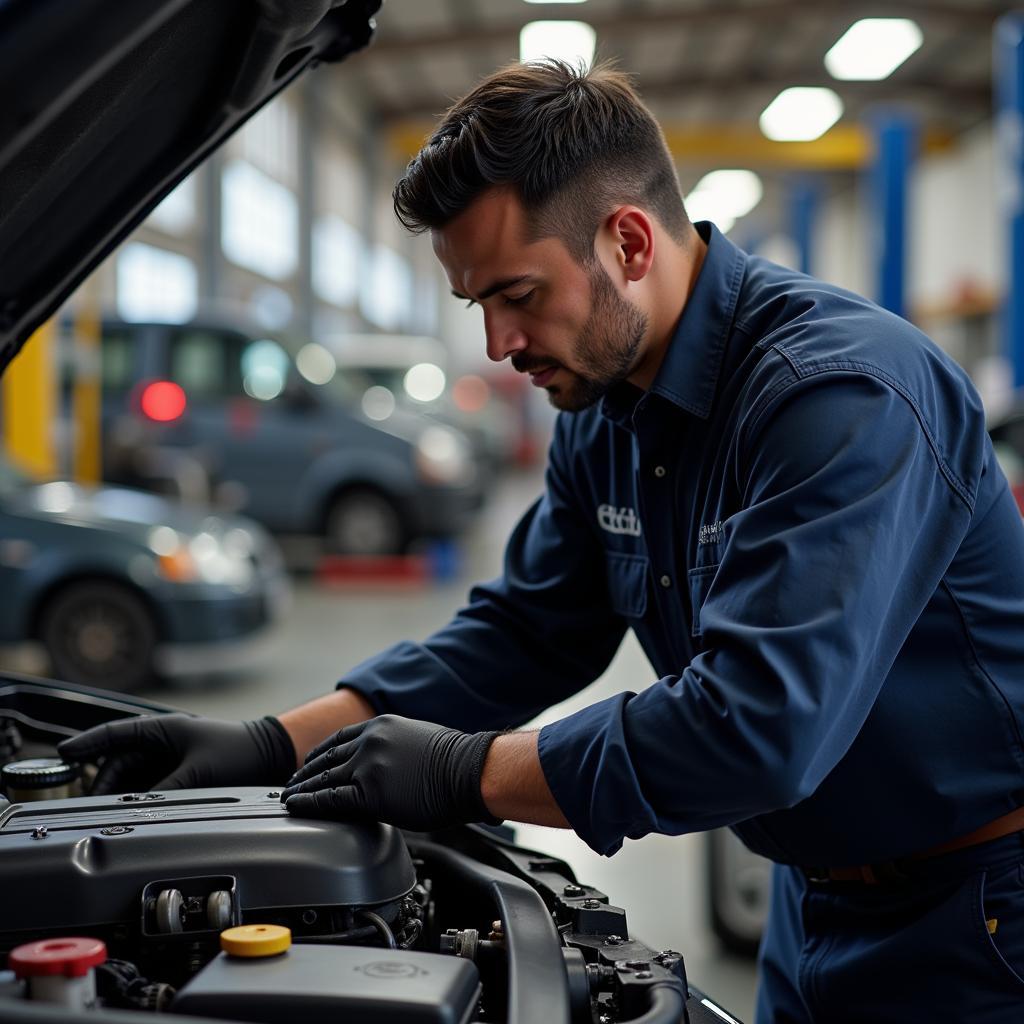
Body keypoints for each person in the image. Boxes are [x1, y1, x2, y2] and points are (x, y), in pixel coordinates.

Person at [60, 61, 1024, 1022]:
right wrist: (273, 744)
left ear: (629, 242)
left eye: (517, 293)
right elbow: (526, 629)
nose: (497, 343)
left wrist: (464, 772)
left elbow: (755, 726)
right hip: (810, 903)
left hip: (979, 915)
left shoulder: (840, 396)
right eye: (478, 303)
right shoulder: (606, 409)